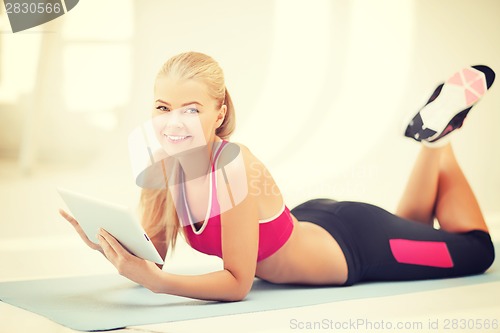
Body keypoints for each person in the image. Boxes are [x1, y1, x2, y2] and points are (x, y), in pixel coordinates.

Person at [60, 52, 495, 302]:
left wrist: (156, 283)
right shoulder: (164, 163)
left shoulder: (231, 165)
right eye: (162, 107)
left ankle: (438, 141)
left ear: (219, 113)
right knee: (419, 231)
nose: (174, 121)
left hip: (356, 247)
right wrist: (111, 247)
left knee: (478, 252)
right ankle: (435, 139)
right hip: (314, 223)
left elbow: (236, 284)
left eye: (191, 109)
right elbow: (152, 258)